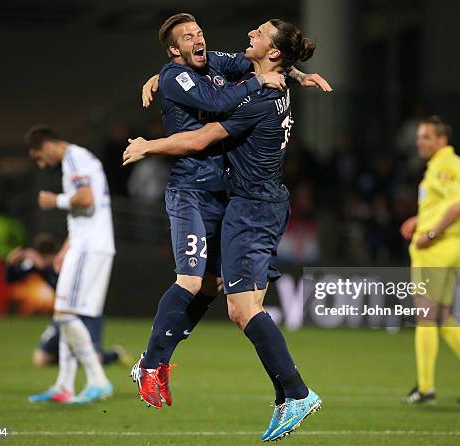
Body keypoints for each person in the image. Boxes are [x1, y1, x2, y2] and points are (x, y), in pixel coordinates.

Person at [124, 18, 324, 442]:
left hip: (251, 208)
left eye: (260, 33)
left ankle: (296, 393)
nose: (249, 33)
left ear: (272, 54)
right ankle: (285, 395)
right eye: (188, 37)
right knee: (214, 288)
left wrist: (147, 145)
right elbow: (188, 73)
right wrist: (160, 77)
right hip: (242, 202)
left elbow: (200, 137)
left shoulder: (257, 94)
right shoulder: (256, 77)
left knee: (240, 308)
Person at [399, 116, 460, 404]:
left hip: (437, 249)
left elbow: (458, 206)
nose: (419, 142)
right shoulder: (456, 166)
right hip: (452, 246)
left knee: (426, 316)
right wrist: (422, 219)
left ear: (442, 140)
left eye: (426, 137)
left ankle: (425, 388)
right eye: (419, 137)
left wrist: (429, 233)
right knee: (440, 316)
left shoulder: (445, 166)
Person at [25, 126, 116, 404]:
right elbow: (88, 211)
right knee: (63, 316)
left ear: (49, 145)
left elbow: (85, 199)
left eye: (40, 157)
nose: (42, 164)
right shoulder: (77, 159)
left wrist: (56, 200)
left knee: (65, 314)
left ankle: (98, 381)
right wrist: (66, 247)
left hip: (90, 248)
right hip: (84, 244)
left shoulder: (75, 157)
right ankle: (64, 385)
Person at [6, 233, 128, 368]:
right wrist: (11, 262)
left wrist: (44, 267)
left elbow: (64, 287)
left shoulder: (66, 261)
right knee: (41, 360)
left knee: (95, 359)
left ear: (51, 254)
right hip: (63, 313)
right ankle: (74, 356)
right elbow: (11, 278)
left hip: (86, 311)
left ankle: (114, 354)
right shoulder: (36, 265)